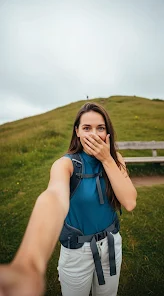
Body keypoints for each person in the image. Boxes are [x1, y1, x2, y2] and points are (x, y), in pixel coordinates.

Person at [0, 102, 137, 296]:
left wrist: (107, 159)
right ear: (77, 132)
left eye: (100, 128)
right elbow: (53, 197)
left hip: (111, 244)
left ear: (108, 132)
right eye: (86, 128)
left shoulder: (116, 160)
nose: (94, 134)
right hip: (77, 252)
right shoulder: (65, 164)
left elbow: (130, 201)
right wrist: (28, 264)